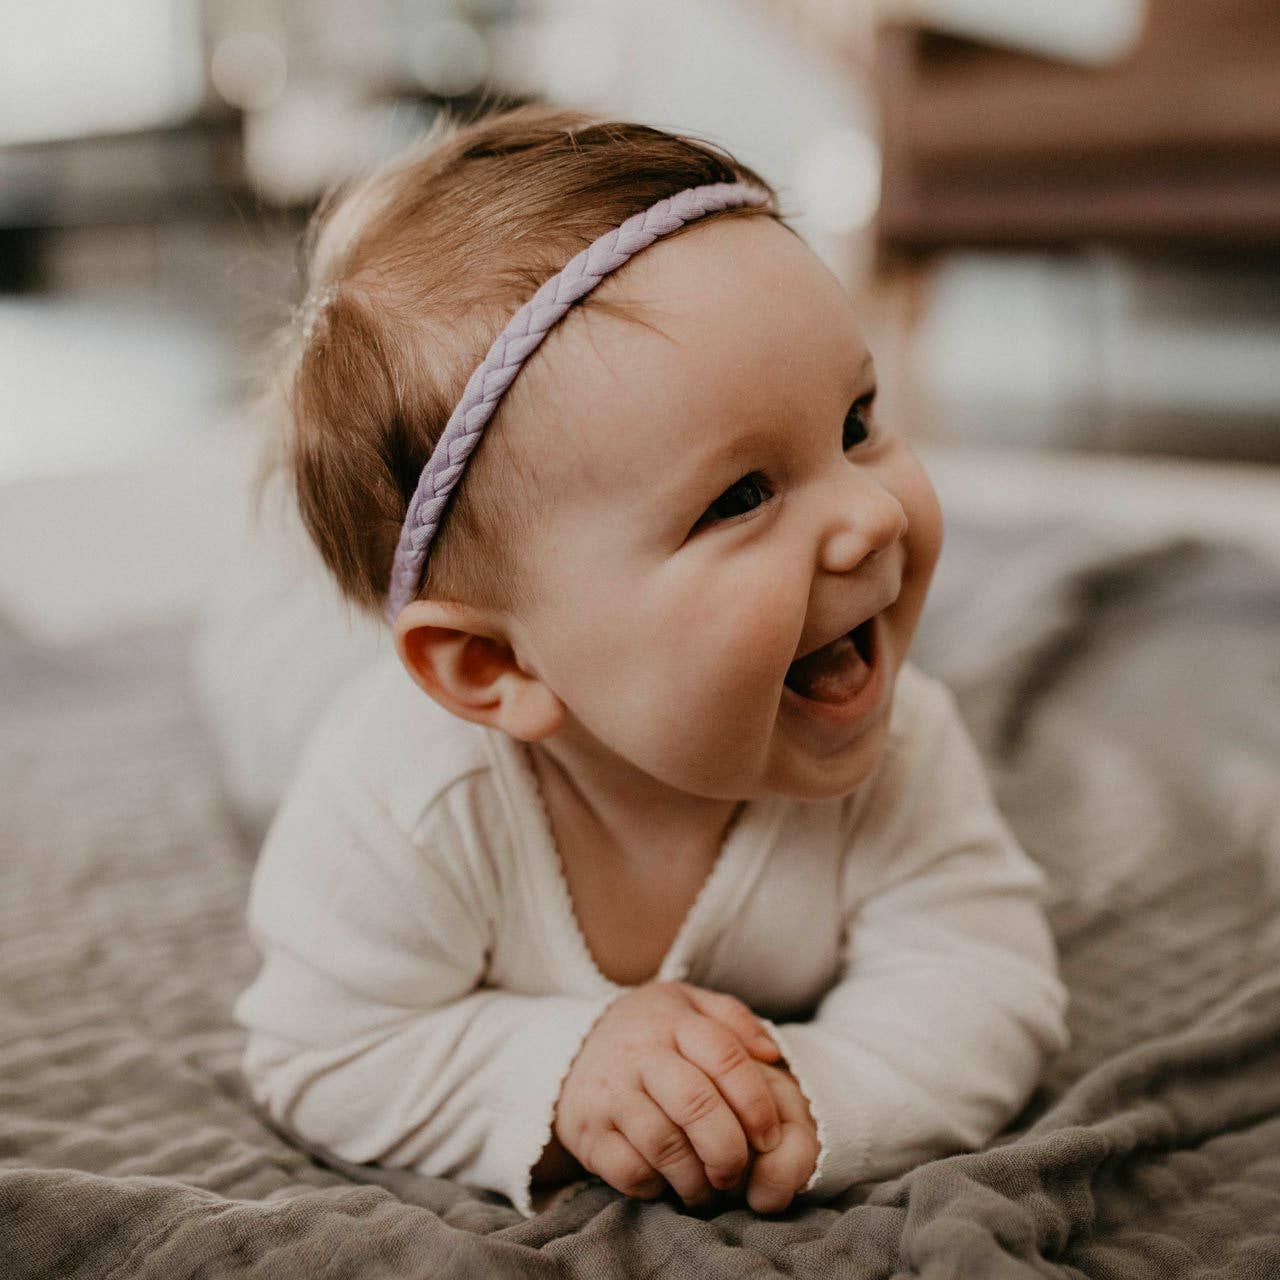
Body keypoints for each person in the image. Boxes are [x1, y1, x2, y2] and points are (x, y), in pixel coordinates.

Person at [232, 103, 1069, 1220]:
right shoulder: (404, 806)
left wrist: (823, 1093)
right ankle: (257, 572)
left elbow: (986, 980)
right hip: (299, 711)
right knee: (257, 679)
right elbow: (321, 1048)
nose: (867, 514)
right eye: (739, 496)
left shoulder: (900, 745)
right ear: (490, 666)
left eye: (856, 422)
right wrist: (558, 1060)